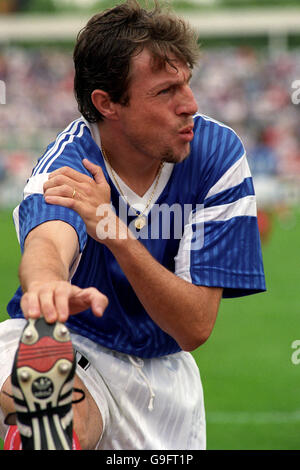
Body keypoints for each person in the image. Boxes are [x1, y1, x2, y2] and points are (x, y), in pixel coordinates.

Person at [0, 0, 266, 450]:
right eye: (165, 91)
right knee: (51, 423)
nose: (190, 105)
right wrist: (47, 286)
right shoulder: (67, 163)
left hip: (164, 381)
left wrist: (114, 230)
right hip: (73, 344)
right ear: (108, 104)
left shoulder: (217, 155)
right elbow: (48, 243)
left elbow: (195, 327)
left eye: (186, 83)